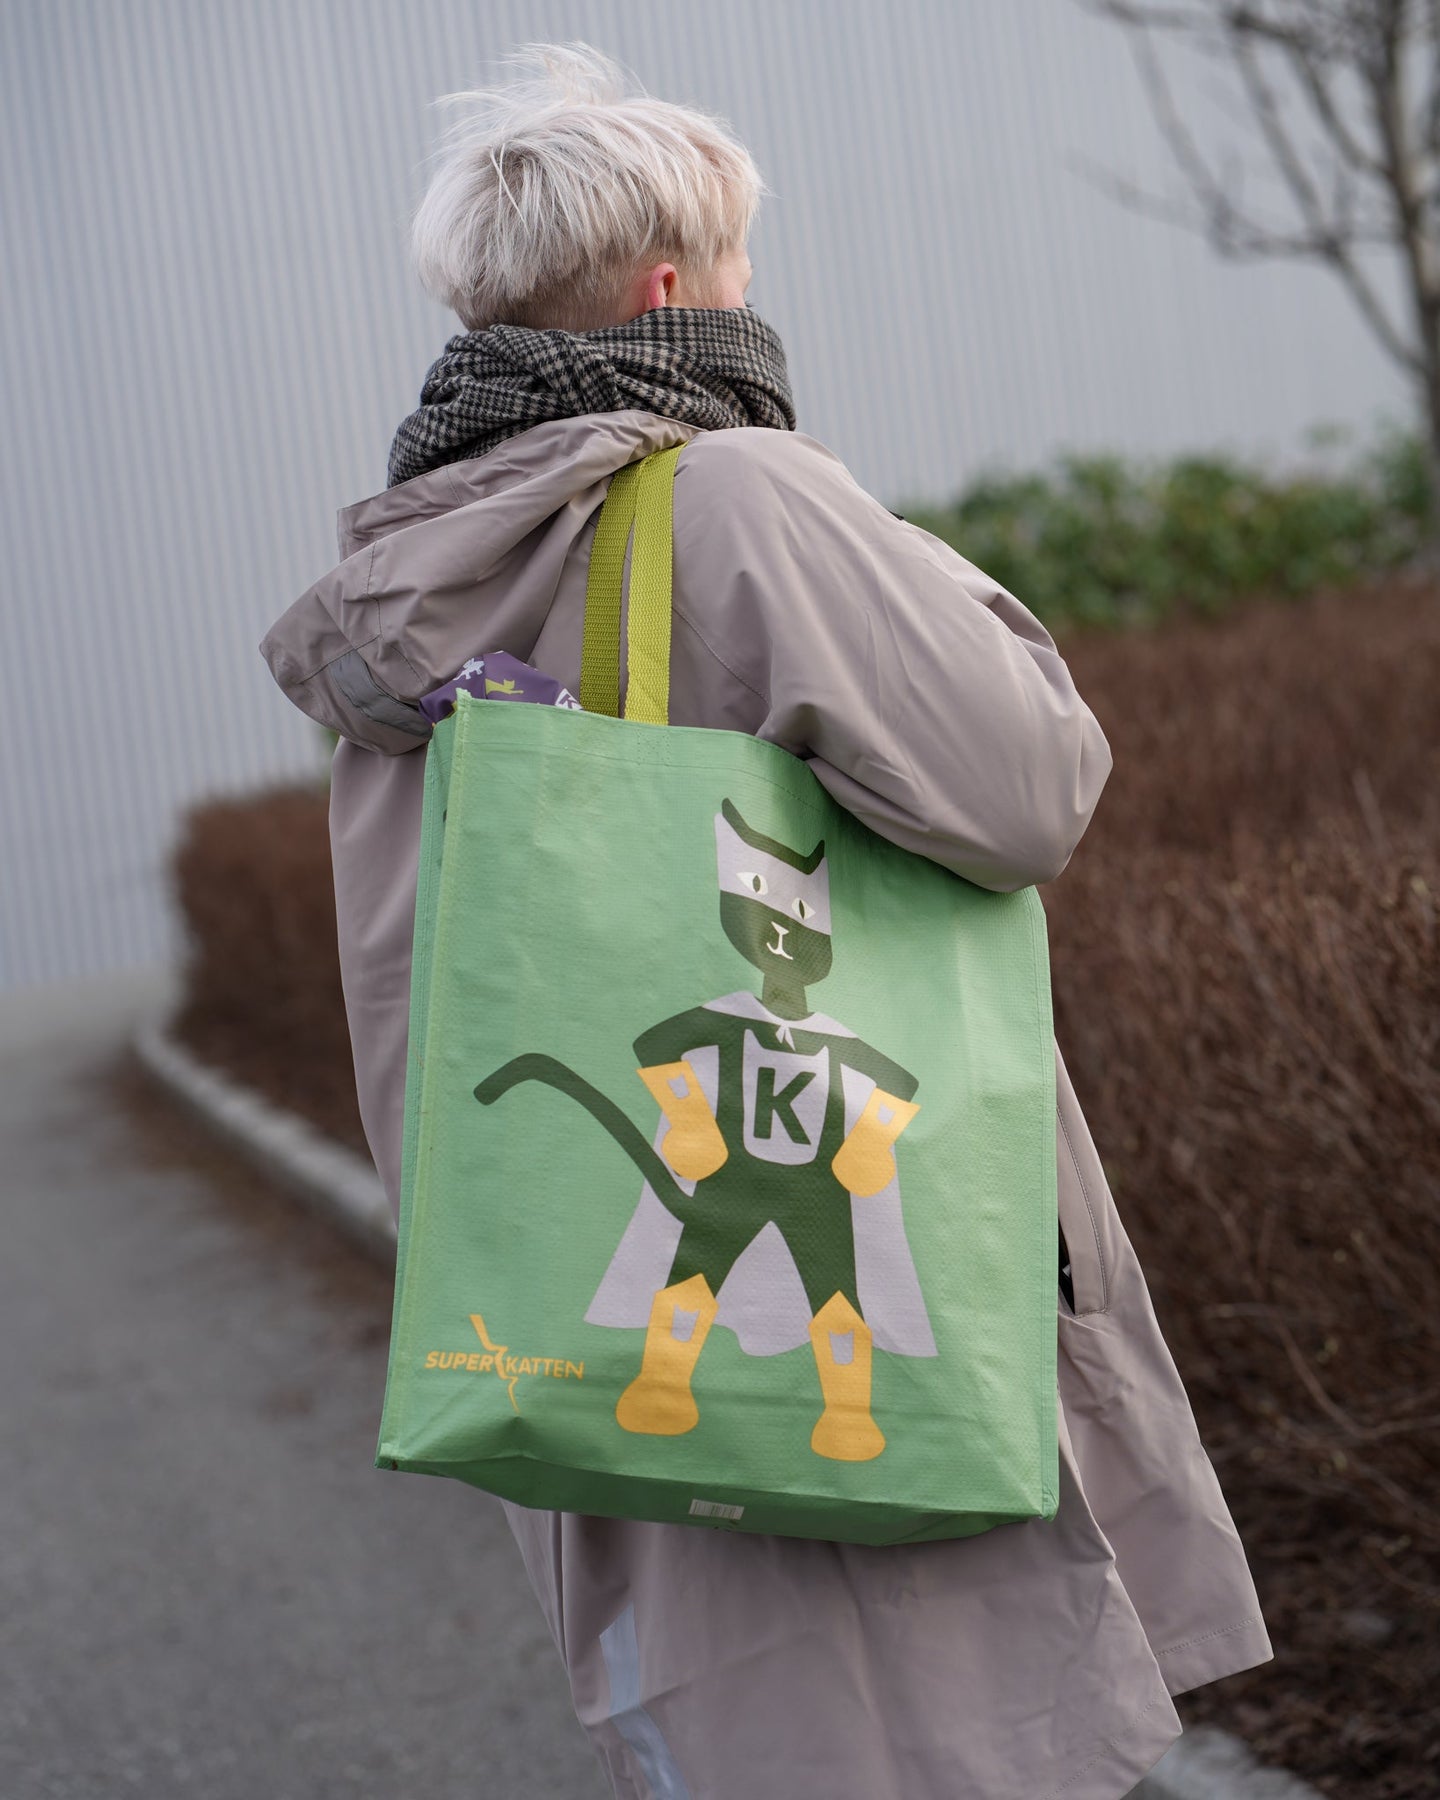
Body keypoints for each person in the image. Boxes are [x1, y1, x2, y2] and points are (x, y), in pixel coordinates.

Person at [261, 42, 1271, 1800]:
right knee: (932, 1735)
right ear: (675, 290)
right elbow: (1025, 784)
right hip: (840, 1276)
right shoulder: (738, 497)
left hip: (573, 1297)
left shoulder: (405, 600)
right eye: (740, 262)